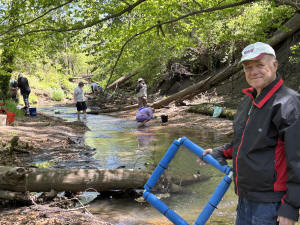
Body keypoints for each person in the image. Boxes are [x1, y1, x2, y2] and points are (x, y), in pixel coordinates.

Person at [202, 42, 300, 225]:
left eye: (260, 65)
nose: (254, 71)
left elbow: (297, 159)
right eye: (248, 67)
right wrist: (221, 152)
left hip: (271, 203)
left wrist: (291, 206)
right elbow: (247, 141)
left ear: (275, 65)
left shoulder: (288, 102)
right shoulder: (249, 101)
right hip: (246, 197)